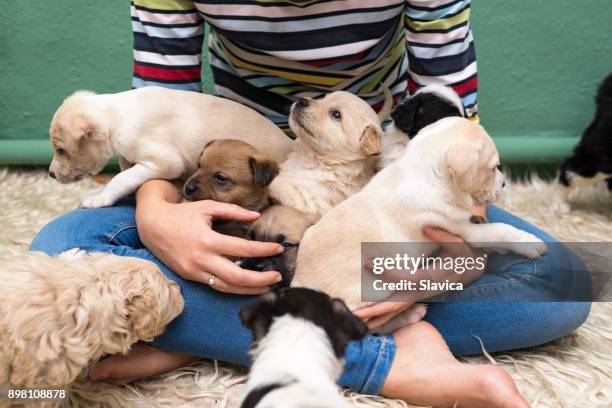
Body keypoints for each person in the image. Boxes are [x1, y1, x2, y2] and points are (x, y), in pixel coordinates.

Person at [31, 1, 592, 406]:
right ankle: (387, 356)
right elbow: (158, 113)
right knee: (58, 247)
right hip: (232, 173)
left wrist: (431, 272)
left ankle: (209, 332)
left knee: (566, 286)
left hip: (383, 186)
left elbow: (454, 129)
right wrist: (160, 221)